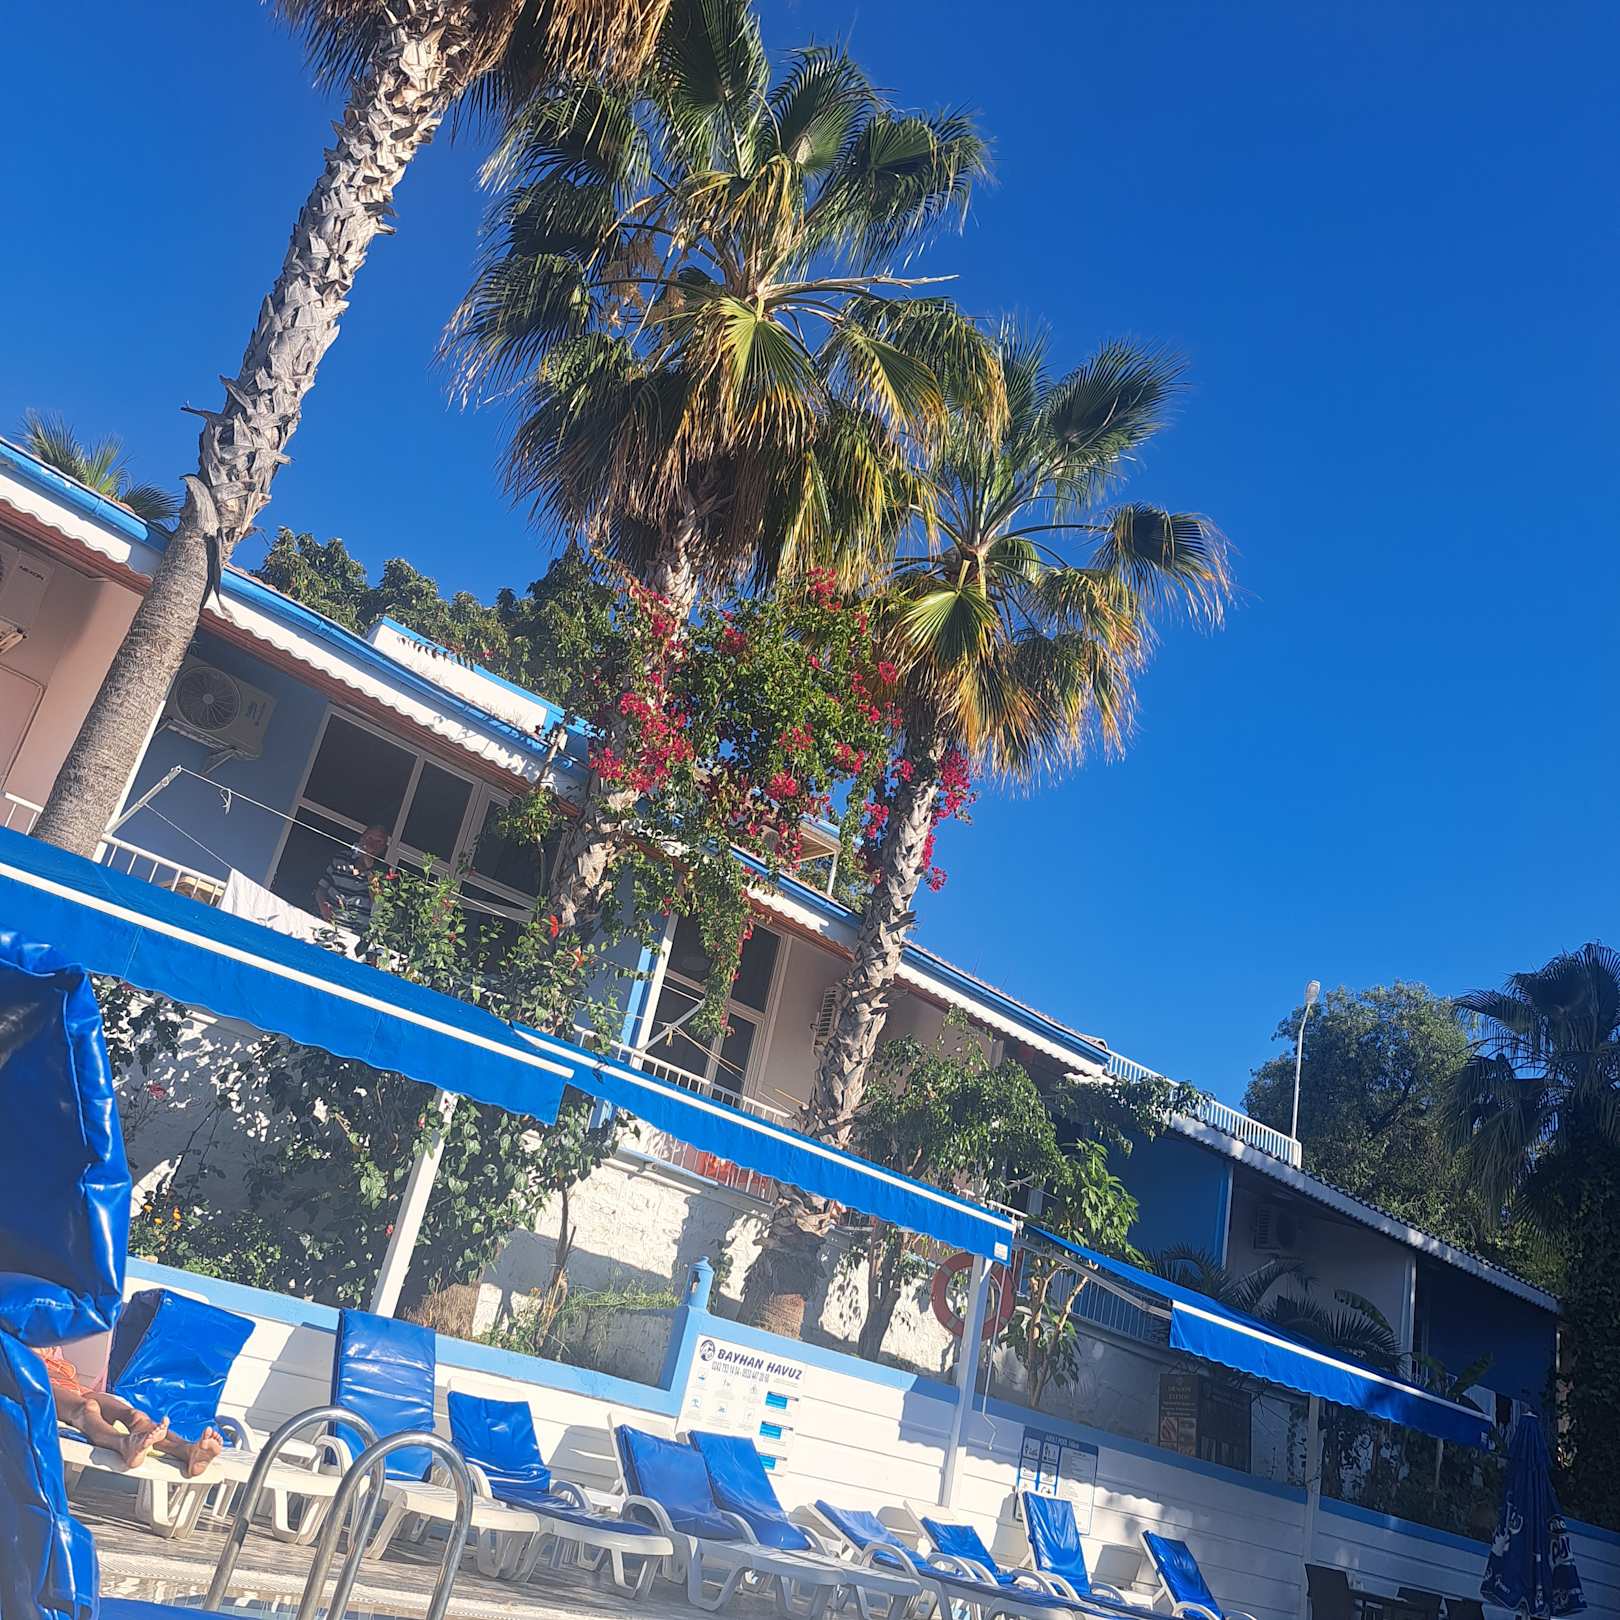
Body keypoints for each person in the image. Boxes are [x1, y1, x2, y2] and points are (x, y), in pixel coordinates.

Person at [41, 1344, 224, 1478]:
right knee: (87, 1408)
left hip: (78, 1389)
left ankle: (186, 1450)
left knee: (136, 1416)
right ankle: (123, 1443)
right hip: (37, 1387)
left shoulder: (48, 1334)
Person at [314, 823, 389, 927]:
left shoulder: (383, 872)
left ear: (383, 848)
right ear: (362, 838)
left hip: (353, 931)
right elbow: (321, 888)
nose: (372, 844)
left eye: (378, 841)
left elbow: (377, 902)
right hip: (325, 923)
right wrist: (323, 906)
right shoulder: (342, 857)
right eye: (370, 838)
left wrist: (370, 866)